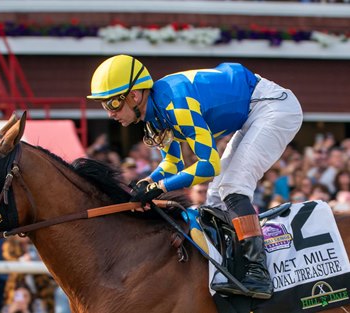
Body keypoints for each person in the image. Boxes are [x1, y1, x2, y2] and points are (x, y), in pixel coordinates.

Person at [87, 54, 303, 299]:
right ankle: (230, 267)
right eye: (104, 105)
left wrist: (160, 186)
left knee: (233, 186)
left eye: (112, 104)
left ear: (134, 95)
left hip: (273, 106)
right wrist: (148, 182)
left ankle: (258, 273)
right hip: (253, 112)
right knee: (214, 195)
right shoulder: (154, 113)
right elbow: (172, 162)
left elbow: (210, 165)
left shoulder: (175, 105)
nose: (109, 114)